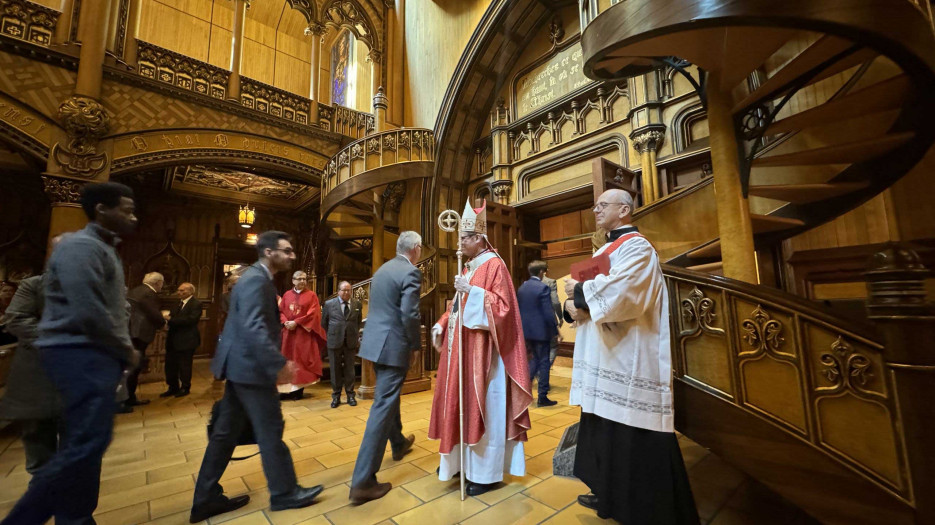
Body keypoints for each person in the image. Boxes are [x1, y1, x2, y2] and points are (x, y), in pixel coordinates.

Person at [1, 182, 140, 525]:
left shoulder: (105, 250)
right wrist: (125, 349)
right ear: (102, 210)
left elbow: (111, 310)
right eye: (126, 209)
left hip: (89, 363)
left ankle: (76, 517)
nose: (133, 216)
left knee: (85, 451)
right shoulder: (79, 249)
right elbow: (87, 311)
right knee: (64, 454)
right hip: (65, 365)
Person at [563, 189, 699, 524]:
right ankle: (608, 493)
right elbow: (594, 298)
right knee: (602, 429)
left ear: (624, 210)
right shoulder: (606, 248)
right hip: (604, 357)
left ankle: (640, 508)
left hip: (626, 358)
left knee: (630, 434)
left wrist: (577, 295)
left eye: (603, 205)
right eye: (595, 205)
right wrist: (574, 306)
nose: (596, 209)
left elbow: (624, 295)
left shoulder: (637, 247)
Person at [191, 231, 323, 522]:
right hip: (250, 368)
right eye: (286, 251)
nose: (291, 256)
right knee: (270, 430)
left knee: (224, 436)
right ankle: (285, 493)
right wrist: (278, 362)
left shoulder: (255, 278)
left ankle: (204, 499)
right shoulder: (256, 281)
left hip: (241, 367)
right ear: (267, 252)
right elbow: (253, 327)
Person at [428, 200, 533, 497]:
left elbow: (503, 310)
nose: (459, 243)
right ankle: (459, 463)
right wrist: (442, 322)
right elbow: (459, 307)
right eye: (460, 237)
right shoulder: (469, 266)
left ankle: (486, 473)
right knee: (458, 404)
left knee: (485, 406)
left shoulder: (494, 265)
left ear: (478, 238)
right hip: (461, 351)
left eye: (464, 238)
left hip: (487, 357)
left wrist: (472, 292)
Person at [347, 231, 421, 504]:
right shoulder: (411, 272)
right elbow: (409, 313)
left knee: (388, 399)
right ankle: (363, 481)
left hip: (374, 344)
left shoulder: (381, 271)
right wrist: (415, 346)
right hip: (393, 346)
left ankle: (398, 443)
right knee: (382, 406)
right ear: (416, 249)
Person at [0, 235, 69, 474]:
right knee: (40, 461)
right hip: (37, 383)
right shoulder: (34, 286)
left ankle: (76, 511)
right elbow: (16, 320)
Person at [278, 270, 328, 401]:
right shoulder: (287, 294)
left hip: (303, 334)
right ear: (293, 280)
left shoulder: (312, 296)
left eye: (304, 279)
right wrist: (285, 322)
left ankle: (298, 391)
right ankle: (284, 391)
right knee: (286, 361)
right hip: (288, 333)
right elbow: (281, 311)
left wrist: (297, 322)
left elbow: (313, 313)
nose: (302, 281)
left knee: (300, 361)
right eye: (299, 279)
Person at [517, 260, 558, 407]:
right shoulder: (543, 288)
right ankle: (542, 396)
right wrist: (555, 331)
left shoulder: (522, 288)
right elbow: (548, 312)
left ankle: (523, 393)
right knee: (544, 363)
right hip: (542, 332)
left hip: (526, 332)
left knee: (532, 361)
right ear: (541, 272)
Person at [125, 272, 166, 410]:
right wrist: (163, 322)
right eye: (162, 283)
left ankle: (127, 396)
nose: (162, 286)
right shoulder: (148, 293)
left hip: (130, 331)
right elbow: (154, 314)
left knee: (131, 365)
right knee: (134, 367)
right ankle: (129, 398)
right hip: (139, 333)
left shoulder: (135, 290)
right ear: (158, 283)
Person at [322, 280, 362, 408]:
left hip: (350, 341)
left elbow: (358, 321)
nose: (346, 292)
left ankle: (351, 395)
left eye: (349, 290)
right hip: (335, 341)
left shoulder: (357, 304)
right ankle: (336, 396)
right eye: (344, 290)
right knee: (335, 370)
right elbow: (324, 323)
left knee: (350, 370)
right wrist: (334, 333)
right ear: (338, 291)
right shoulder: (329, 304)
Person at [162, 282, 201, 398]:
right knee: (170, 365)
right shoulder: (177, 303)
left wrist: (169, 319)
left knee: (184, 365)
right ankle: (173, 387)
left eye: (182, 290)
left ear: (190, 291)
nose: (179, 292)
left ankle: (185, 387)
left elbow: (190, 320)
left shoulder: (196, 304)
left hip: (187, 339)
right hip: (173, 338)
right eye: (179, 290)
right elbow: (173, 316)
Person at [540, 267, 563, 367]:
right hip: (548, 319)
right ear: (545, 271)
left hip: (532, 321)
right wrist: (560, 317)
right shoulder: (550, 282)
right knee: (553, 346)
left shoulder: (526, 283)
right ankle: (545, 368)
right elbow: (555, 302)